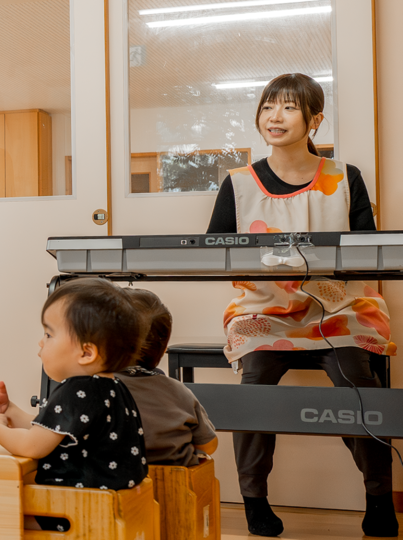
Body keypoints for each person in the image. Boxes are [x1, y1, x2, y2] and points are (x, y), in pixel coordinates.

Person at [204, 73, 396, 537]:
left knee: (357, 380)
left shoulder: (344, 177)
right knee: (255, 385)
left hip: (338, 306)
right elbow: (216, 253)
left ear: (314, 120)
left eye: (289, 107)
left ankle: (378, 497)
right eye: (269, 106)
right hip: (265, 308)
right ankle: (254, 500)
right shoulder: (238, 183)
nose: (275, 116)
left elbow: (366, 252)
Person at [0, 278, 148, 533]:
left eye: (48, 334)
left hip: (71, 513)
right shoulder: (112, 387)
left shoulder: (76, 389)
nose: (40, 342)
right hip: (110, 506)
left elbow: (32, 445)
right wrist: (10, 410)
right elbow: (50, 430)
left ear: (86, 353)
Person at [116, 288, 219, 467]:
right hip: (176, 482)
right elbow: (208, 445)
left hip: (119, 482)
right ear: (163, 349)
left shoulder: (93, 389)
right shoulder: (178, 390)